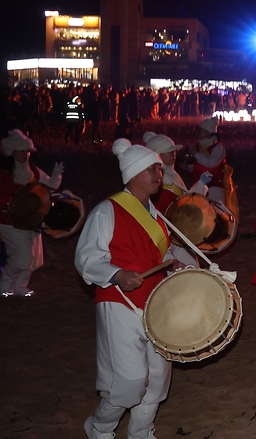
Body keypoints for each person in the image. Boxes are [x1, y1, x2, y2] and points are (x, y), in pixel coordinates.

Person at [74, 139, 197, 439]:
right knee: (128, 382)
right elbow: (86, 258)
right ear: (133, 173)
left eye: (159, 168)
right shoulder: (107, 211)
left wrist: (173, 265)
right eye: (153, 169)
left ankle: (141, 432)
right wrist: (116, 274)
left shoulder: (156, 215)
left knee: (157, 378)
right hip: (119, 304)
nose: (160, 173)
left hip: (156, 303)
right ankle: (100, 428)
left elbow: (159, 256)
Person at [0, 129, 63, 297]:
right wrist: (12, 203)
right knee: (22, 257)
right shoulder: (4, 174)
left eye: (28, 151)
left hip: (32, 222)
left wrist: (56, 174)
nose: (26, 155)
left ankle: (20, 286)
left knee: (33, 257)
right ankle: (5, 285)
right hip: (9, 222)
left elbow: (51, 185)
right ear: (12, 152)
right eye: (21, 151)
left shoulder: (33, 171)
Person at [143, 131, 210, 215]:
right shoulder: (156, 181)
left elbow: (186, 198)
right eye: (170, 152)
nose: (174, 155)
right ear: (157, 154)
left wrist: (201, 184)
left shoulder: (174, 175)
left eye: (175, 152)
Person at [186, 116, 227, 206]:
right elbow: (198, 166)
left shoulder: (218, 147)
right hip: (199, 185)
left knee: (216, 212)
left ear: (208, 132)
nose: (198, 133)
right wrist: (188, 167)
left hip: (213, 186)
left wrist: (196, 154)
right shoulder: (199, 146)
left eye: (201, 131)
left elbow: (212, 163)